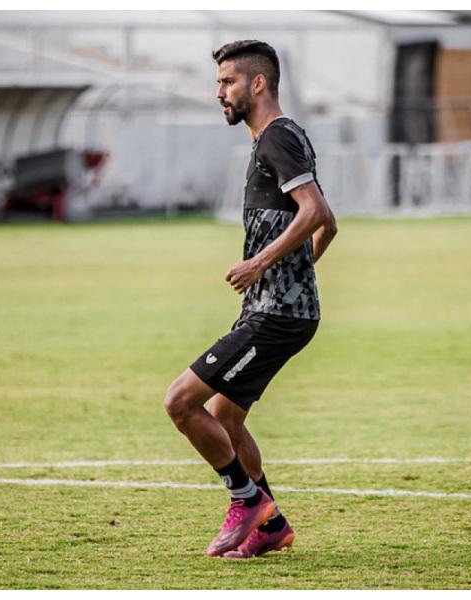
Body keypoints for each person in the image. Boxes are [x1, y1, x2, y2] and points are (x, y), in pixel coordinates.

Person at [162, 40, 338, 558]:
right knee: (225, 414)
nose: (220, 92)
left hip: (275, 315)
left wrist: (264, 267)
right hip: (280, 308)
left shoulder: (277, 139)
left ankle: (245, 500)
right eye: (219, 83)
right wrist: (297, 271)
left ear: (257, 84)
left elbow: (313, 210)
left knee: (180, 402)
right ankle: (271, 524)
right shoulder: (280, 139)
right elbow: (327, 223)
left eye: (228, 82)